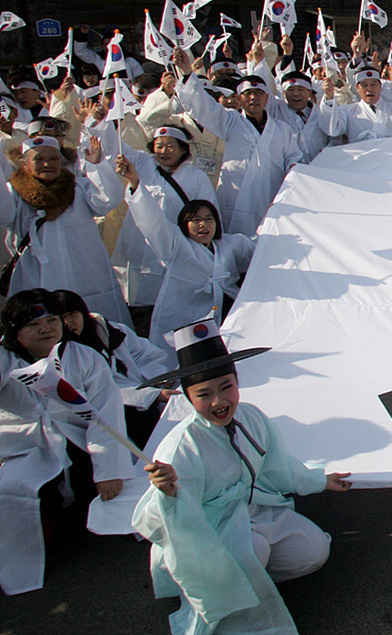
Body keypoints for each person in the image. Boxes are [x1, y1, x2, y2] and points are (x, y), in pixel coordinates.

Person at [133, 320, 352, 634]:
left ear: (237, 381)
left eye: (226, 387)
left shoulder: (250, 416)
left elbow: (278, 466)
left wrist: (319, 481)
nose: (219, 401)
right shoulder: (181, 447)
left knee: (313, 551)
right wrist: (167, 493)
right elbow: (155, 524)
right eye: (204, 394)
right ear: (188, 396)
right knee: (253, 551)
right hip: (210, 531)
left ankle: (247, 578)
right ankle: (221, 591)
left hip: (255, 509)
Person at [0, 289, 132, 595]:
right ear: (14, 331)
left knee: (97, 493)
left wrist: (108, 469)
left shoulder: (83, 356)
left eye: (51, 320)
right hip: (22, 447)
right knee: (13, 488)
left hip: (77, 439)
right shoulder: (4, 360)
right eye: (33, 325)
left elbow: (105, 412)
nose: (45, 329)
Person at [116, 155, 256, 349]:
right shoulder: (176, 245)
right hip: (185, 316)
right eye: (196, 220)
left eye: (209, 219)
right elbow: (152, 221)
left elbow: (260, 247)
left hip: (226, 311)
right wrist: (135, 182)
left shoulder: (231, 245)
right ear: (184, 224)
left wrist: (274, 214)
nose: (203, 225)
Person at [0, 135, 129, 325]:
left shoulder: (78, 187)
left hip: (84, 273)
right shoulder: (14, 192)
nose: (47, 164)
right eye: (39, 159)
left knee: (93, 324)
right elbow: (4, 215)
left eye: (53, 159)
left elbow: (108, 200)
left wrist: (96, 166)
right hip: (36, 273)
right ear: (25, 164)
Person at [173, 49, 304, 236]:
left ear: (267, 97)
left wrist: (292, 170)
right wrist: (187, 72)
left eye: (258, 93)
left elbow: (294, 157)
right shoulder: (229, 121)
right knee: (236, 240)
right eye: (248, 94)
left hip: (270, 193)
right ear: (239, 99)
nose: (253, 98)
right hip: (236, 196)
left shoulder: (282, 129)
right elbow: (203, 107)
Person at [111, 125, 217, 312]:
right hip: (140, 237)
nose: (164, 151)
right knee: (138, 282)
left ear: (183, 149)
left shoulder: (197, 176)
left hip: (176, 240)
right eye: (159, 146)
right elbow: (115, 147)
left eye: (170, 146)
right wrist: (100, 124)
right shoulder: (143, 163)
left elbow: (209, 210)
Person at [54, 288, 175, 447]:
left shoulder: (111, 331)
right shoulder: (64, 352)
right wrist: (151, 395)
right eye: (62, 318)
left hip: (145, 406)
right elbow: (98, 389)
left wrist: (158, 378)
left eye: (73, 315)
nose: (69, 323)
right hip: (108, 415)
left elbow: (145, 354)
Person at [320, 65, 392, 143]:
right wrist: (329, 97)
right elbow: (333, 130)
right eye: (364, 85)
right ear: (357, 88)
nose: (369, 89)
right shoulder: (347, 111)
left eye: (373, 84)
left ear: (380, 86)